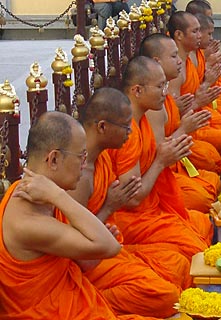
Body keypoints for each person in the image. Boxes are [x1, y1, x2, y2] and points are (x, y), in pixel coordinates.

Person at [0, 111, 159, 320]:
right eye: (81, 157)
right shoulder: (28, 221)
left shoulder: (38, 195)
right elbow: (110, 247)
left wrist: (95, 243)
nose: (84, 165)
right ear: (54, 159)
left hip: (75, 300)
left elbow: (85, 262)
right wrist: (57, 195)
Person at [69, 87, 192, 318]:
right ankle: (85, 301)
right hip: (89, 264)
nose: (129, 132)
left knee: (178, 265)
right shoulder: (78, 174)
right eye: (125, 126)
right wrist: (109, 207)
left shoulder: (102, 155)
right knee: (166, 295)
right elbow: (76, 247)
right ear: (103, 127)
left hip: (111, 245)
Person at [108, 56, 213, 263]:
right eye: (159, 87)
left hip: (152, 204)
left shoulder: (143, 118)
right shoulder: (126, 132)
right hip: (126, 219)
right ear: (137, 91)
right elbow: (133, 199)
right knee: (189, 254)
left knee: (202, 224)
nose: (165, 93)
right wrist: (161, 161)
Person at [139, 33, 221, 213]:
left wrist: (203, 90)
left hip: (171, 165)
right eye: (173, 56)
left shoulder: (159, 93)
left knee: (213, 170)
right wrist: (185, 126)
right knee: (203, 198)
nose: (179, 61)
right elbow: (159, 155)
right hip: (153, 186)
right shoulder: (150, 104)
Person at [167, 11, 221, 157]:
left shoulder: (188, 57)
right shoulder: (175, 72)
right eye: (195, 31)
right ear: (179, 35)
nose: (200, 35)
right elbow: (172, 120)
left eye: (200, 31)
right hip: (187, 128)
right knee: (214, 156)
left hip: (197, 115)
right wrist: (204, 89)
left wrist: (207, 80)